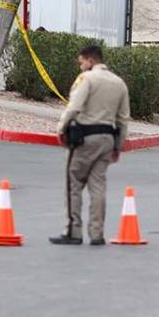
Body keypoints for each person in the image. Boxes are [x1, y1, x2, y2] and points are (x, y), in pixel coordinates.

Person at [49, 45, 131, 246]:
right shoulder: (119, 83)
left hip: (85, 138)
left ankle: (73, 231)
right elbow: (123, 119)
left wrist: (61, 129)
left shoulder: (88, 79)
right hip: (107, 139)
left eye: (82, 62)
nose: (81, 66)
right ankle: (97, 233)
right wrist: (117, 146)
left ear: (90, 60)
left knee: (73, 183)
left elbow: (74, 107)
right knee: (98, 186)